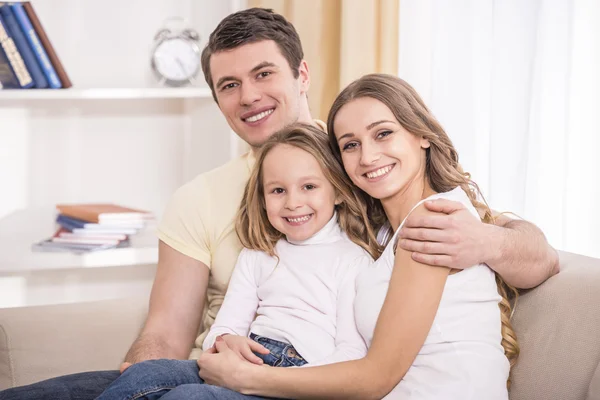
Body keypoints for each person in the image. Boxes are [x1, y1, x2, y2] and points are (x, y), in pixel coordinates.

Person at [0, 8, 558, 400]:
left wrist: (487, 241)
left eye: (263, 73)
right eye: (228, 85)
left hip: (288, 378)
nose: (248, 96)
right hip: (220, 364)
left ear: (302, 74)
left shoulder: (375, 179)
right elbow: (167, 331)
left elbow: (534, 254)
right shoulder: (203, 197)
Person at [196, 74, 522, 399]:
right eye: (351, 145)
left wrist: (246, 378)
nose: (367, 157)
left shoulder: (432, 221)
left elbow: (375, 379)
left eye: (383, 134)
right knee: (156, 381)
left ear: (422, 134)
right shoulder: (381, 230)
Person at [95, 124, 378, 400]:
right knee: (144, 375)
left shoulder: (354, 261)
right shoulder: (258, 254)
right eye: (278, 191)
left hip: (301, 378)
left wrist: (284, 381)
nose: (293, 202)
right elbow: (225, 326)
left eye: (309, 187)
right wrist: (226, 342)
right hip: (247, 358)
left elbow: (352, 352)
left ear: (339, 191)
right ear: (263, 198)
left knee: (190, 396)